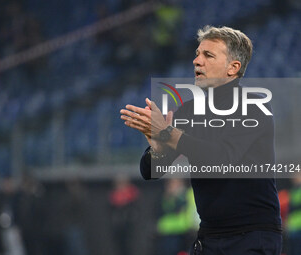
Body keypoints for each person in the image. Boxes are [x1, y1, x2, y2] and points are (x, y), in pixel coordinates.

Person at [120, 26, 282, 254]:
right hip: (209, 236)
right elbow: (151, 171)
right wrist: (156, 148)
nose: (197, 61)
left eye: (208, 55)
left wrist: (167, 133)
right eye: (197, 53)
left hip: (251, 236)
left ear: (233, 68)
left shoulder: (254, 107)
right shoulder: (189, 112)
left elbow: (222, 159)